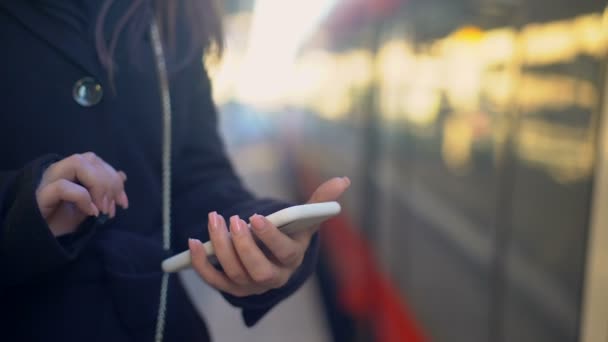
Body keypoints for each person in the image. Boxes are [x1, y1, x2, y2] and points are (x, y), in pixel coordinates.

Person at [0, 1, 349, 341]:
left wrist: (260, 233)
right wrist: (20, 207)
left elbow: (196, 177)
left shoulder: (169, 12)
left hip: (156, 325)